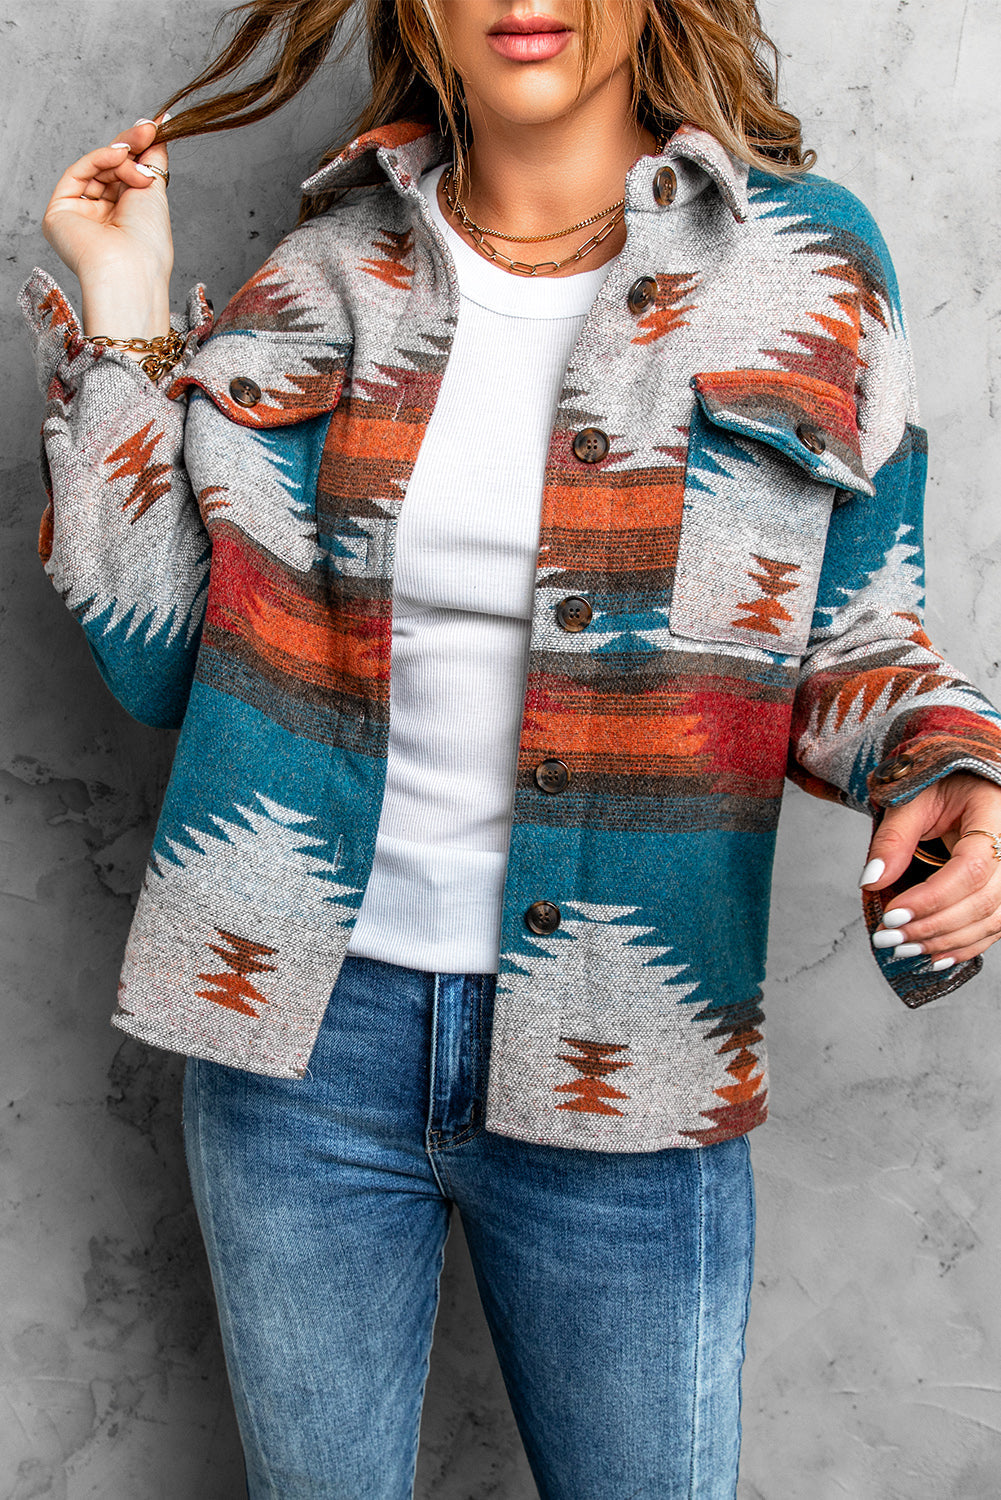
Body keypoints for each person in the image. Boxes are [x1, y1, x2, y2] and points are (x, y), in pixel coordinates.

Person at [21, 1, 1001, 1495]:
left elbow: (860, 635)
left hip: (631, 1038)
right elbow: (155, 650)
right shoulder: (326, 271)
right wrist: (124, 306)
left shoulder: (806, 265)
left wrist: (950, 768)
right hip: (295, 1044)